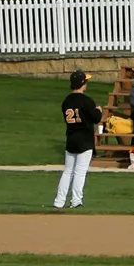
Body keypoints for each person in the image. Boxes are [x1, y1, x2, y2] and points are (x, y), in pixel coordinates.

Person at [54, 70, 102, 210]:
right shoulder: (87, 101)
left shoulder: (66, 101)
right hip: (84, 139)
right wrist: (98, 110)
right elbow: (96, 118)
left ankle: (59, 201)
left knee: (67, 171)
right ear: (82, 84)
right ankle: (76, 201)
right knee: (80, 172)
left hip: (71, 137)